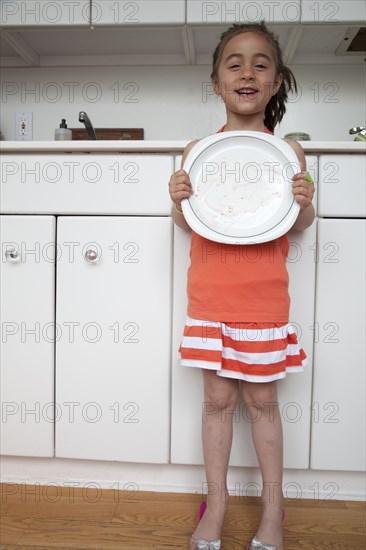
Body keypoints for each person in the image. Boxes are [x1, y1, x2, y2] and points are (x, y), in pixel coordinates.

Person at [168, 21, 315, 550]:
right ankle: (219, 501)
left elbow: (298, 226)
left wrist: (304, 202)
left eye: (261, 63)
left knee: (262, 404)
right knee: (217, 402)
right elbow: (190, 222)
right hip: (210, 300)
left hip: (262, 302)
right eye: (235, 63)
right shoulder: (199, 150)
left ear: (276, 82)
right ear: (216, 82)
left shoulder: (287, 155)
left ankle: (273, 510)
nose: (247, 72)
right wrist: (177, 196)